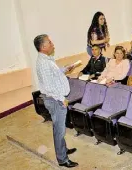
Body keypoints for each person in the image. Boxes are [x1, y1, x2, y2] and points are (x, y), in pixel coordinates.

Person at [34, 34, 78, 168]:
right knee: (59, 131)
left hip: (54, 98)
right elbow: (48, 87)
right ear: (43, 47)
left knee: (59, 128)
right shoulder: (43, 63)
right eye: (49, 42)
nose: (52, 44)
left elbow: (53, 75)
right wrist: (62, 99)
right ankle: (62, 159)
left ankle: (63, 150)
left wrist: (65, 69)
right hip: (55, 100)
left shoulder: (46, 59)